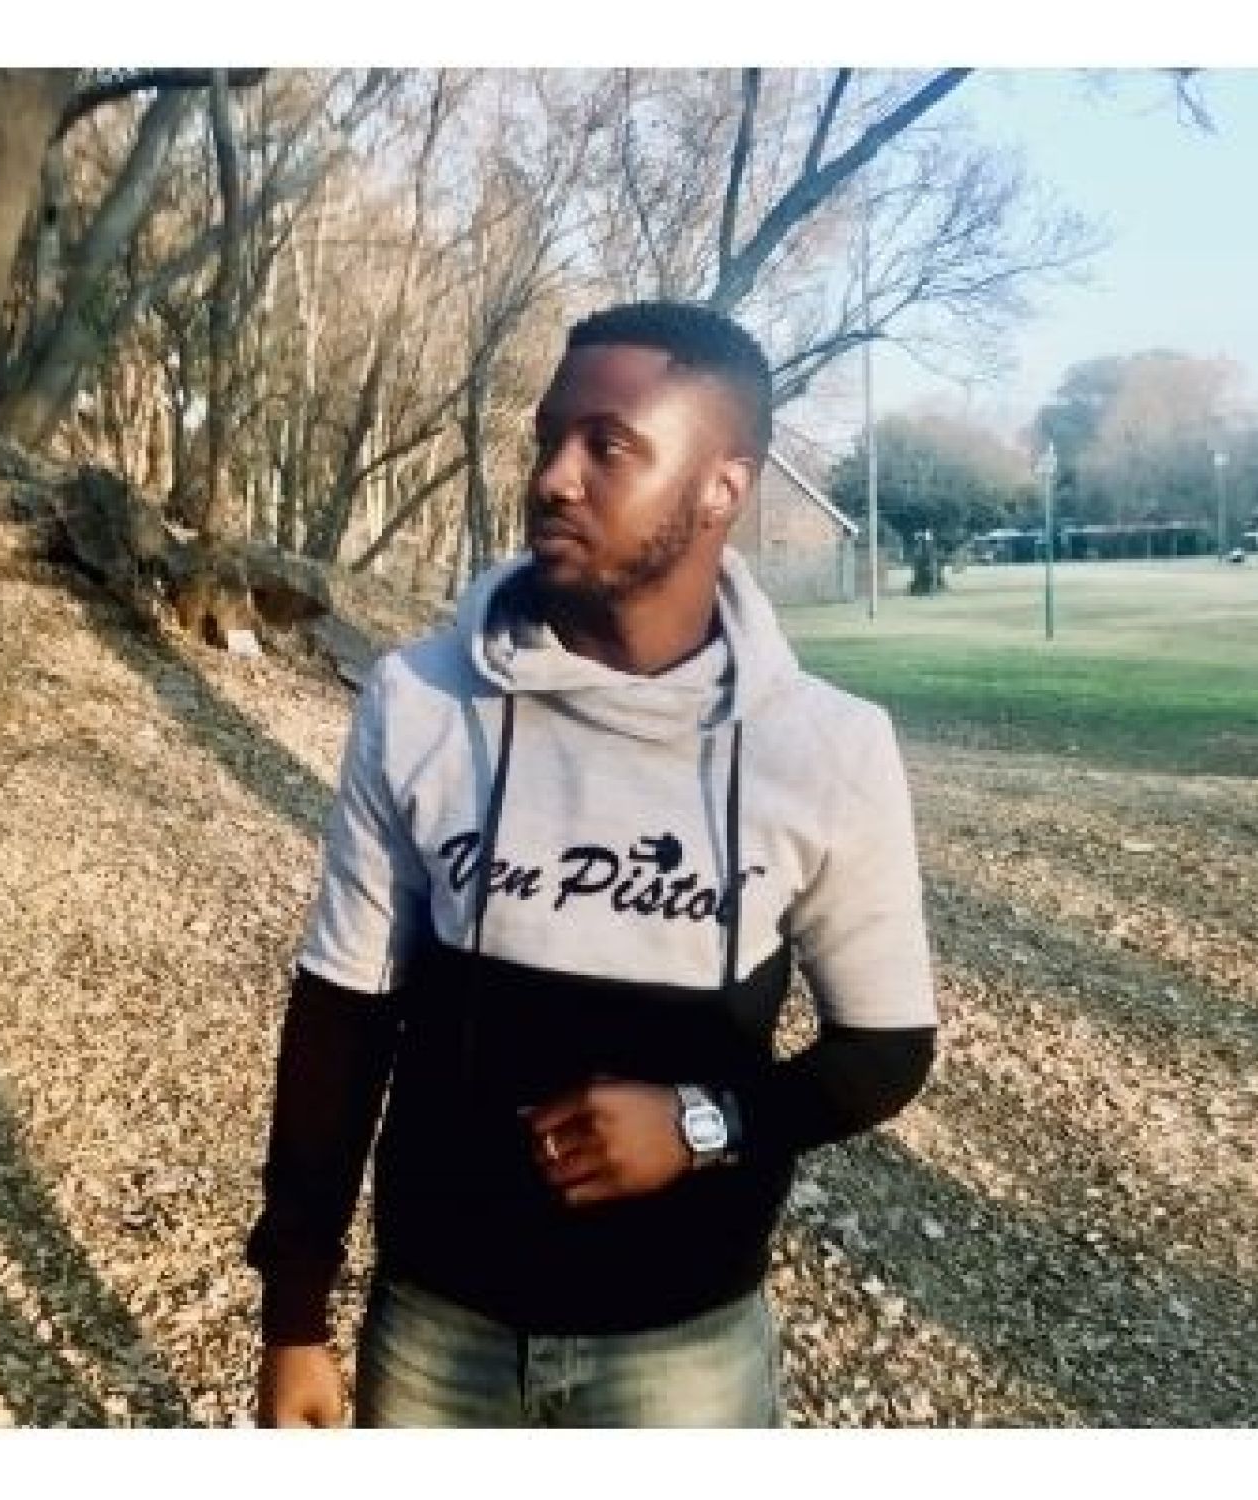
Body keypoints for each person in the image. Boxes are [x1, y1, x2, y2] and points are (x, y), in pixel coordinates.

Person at [246, 300, 938, 1428]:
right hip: (435, 1333)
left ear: (722, 487)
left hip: (683, 1351)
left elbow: (887, 1049)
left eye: (607, 445)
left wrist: (704, 1123)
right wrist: (294, 1313)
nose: (553, 478)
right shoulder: (420, 700)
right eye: (548, 438)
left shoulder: (827, 747)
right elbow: (342, 1014)